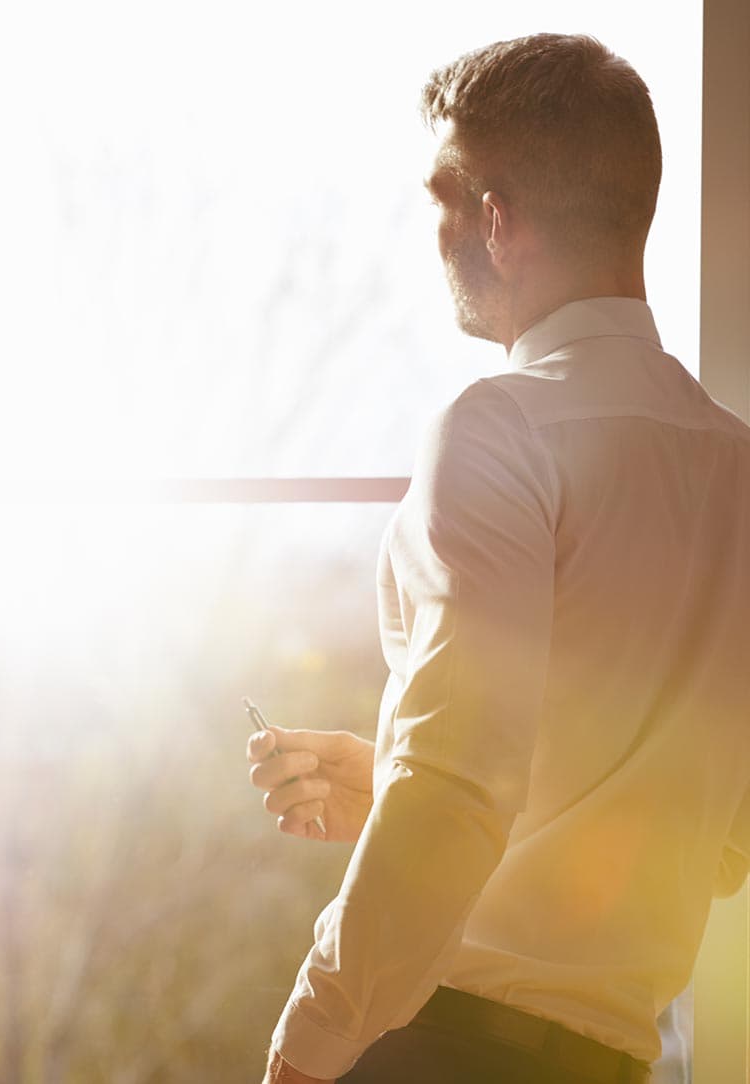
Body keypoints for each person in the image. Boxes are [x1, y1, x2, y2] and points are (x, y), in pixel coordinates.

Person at [246, 33, 750, 1084]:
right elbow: (724, 838)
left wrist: (306, 1045)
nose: (433, 237)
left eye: (440, 199)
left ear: (496, 219)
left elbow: (457, 786)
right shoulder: (733, 468)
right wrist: (394, 783)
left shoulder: (497, 428)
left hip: (436, 1051)